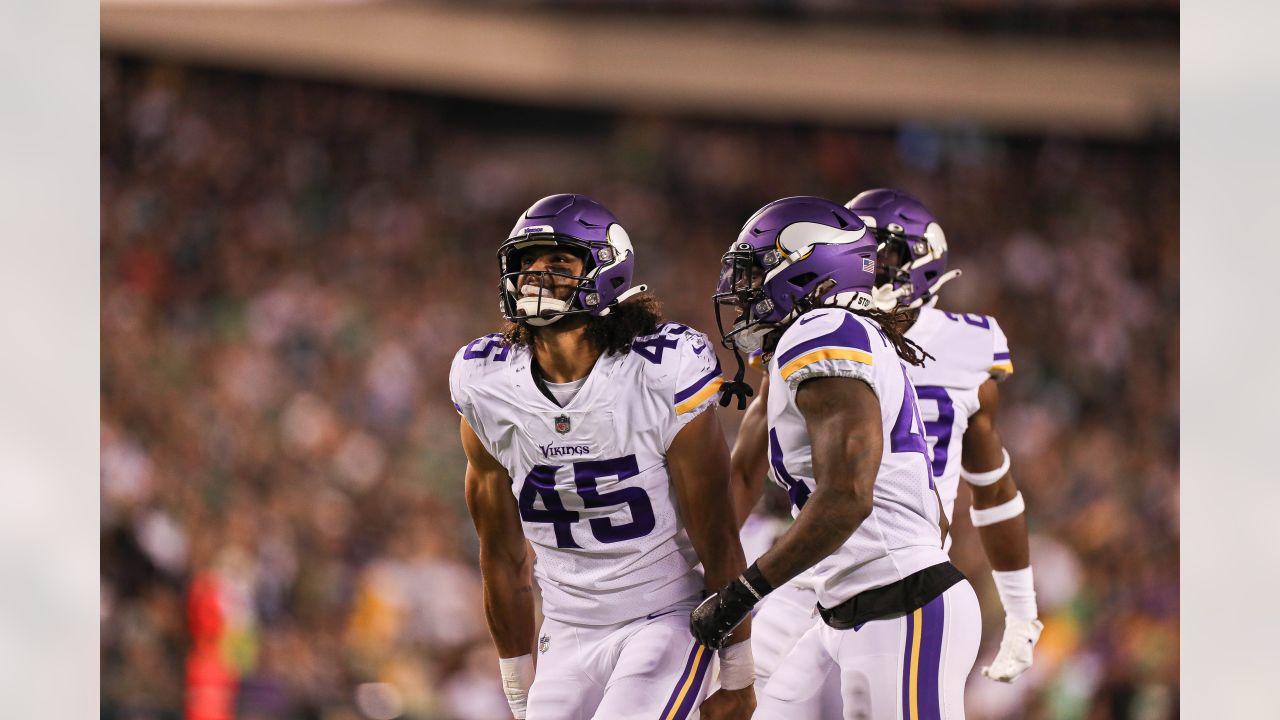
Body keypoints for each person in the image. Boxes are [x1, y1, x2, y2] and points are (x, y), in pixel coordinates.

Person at [449, 194, 756, 720]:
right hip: (565, 632)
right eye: (527, 264)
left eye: (559, 263)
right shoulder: (486, 383)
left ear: (606, 272)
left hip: (664, 618)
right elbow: (501, 556)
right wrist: (520, 689)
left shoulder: (661, 370)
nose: (535, 277)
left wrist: (738, 670)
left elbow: (717, 533)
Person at [728, 189, 1043, 691]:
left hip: (900, 571)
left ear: (924, 260)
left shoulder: (967, 347)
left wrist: (1021, 612)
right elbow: (744, 469)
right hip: (812, 561)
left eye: (884, 252)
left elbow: (993, 487)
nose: (870, 266)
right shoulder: (809, 334)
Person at [691, 196, 980, 718]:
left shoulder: (822, 332)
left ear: (807, 272)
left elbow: (847, 496)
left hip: (901, 604)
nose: (742, 292)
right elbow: (929, 514)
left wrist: (743, 591)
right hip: (848, 608)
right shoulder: (823, 338)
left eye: (755, 273)